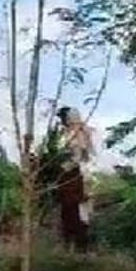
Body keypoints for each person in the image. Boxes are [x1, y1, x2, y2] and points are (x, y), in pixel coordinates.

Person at [53, 107, 95, 251]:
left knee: (79, 210)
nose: (62, 121)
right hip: (69, 175)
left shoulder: (80, 133)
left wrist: (66, 166)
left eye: (63, 118)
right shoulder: (67, 133)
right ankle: (69, 244)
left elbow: (81, 156)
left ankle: (81, 246)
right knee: (68, 210)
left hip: (79, 175)